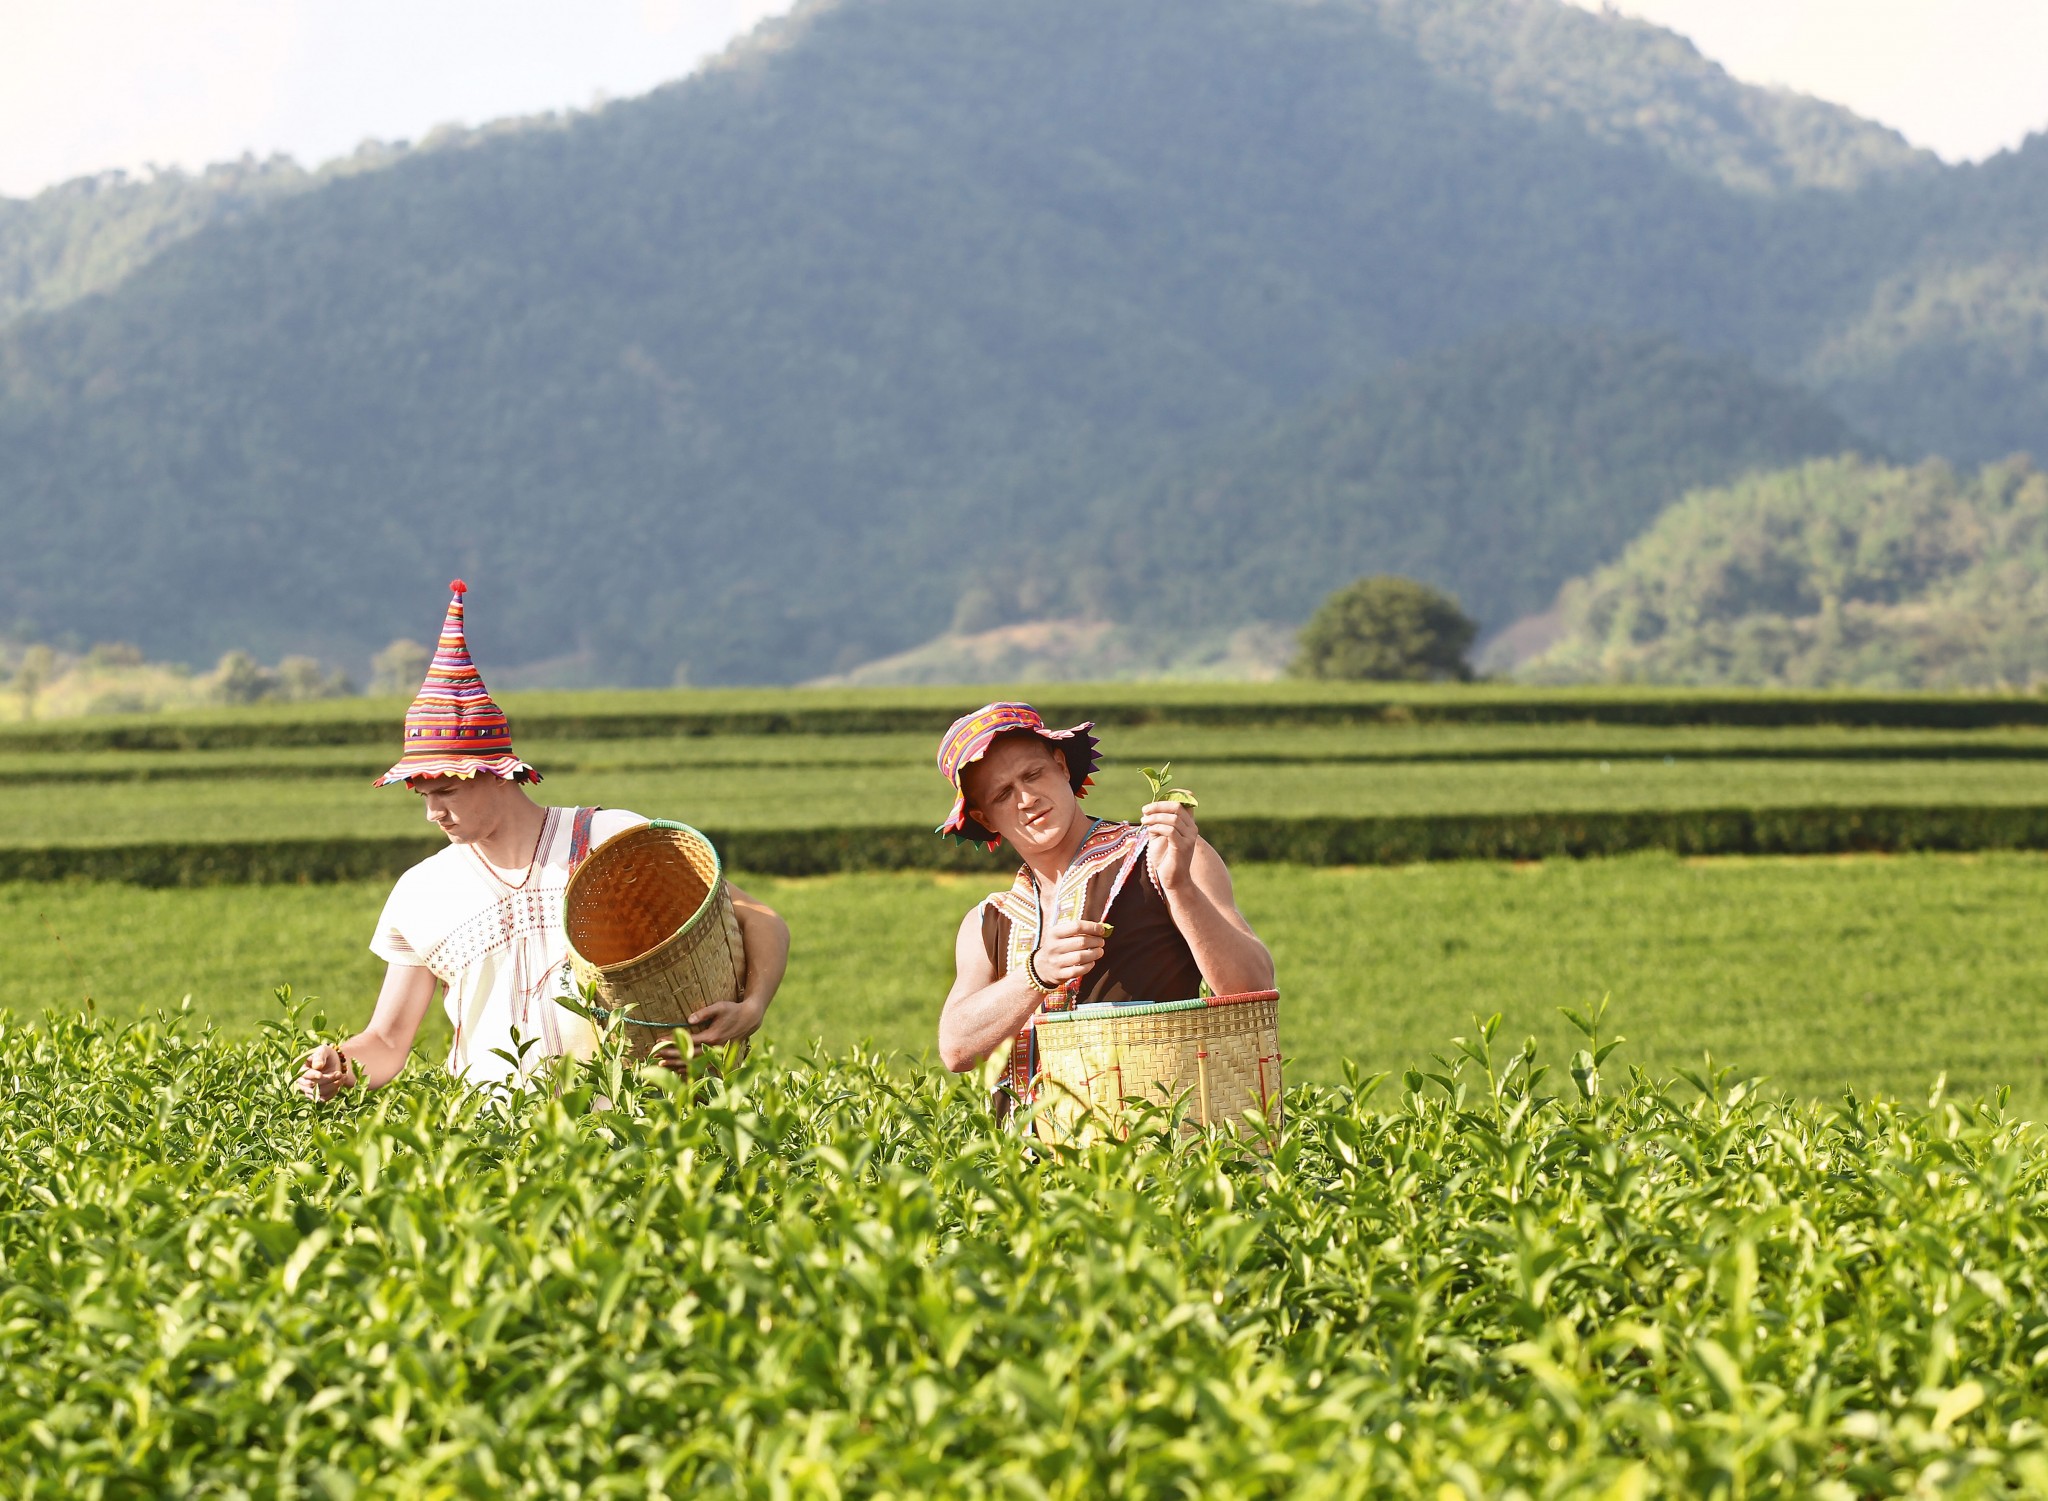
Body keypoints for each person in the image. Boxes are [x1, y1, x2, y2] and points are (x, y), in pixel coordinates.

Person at [295, 581, 788, 1100]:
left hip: (625, 1121)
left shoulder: (609, 839)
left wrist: (752, 1006)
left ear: (497, 773)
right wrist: (340, 1068)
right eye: (422, 795)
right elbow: (388, 1040)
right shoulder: (422, 892)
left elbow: (760, 918)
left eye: (446, 791)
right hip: (493, 1134)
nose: (432, 812)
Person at [933, 702, 1273, 1117]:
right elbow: (956, 1048)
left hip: (1150, 1140)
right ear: (985, 818)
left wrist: (1180, 887)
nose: (1026, 799)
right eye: (1003, 794)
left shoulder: (1161, 855)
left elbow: (1254, 989)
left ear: (1061, 765)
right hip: (1024, 1155)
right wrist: (1036, 973)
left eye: (1033, 774)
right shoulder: (988, 919)